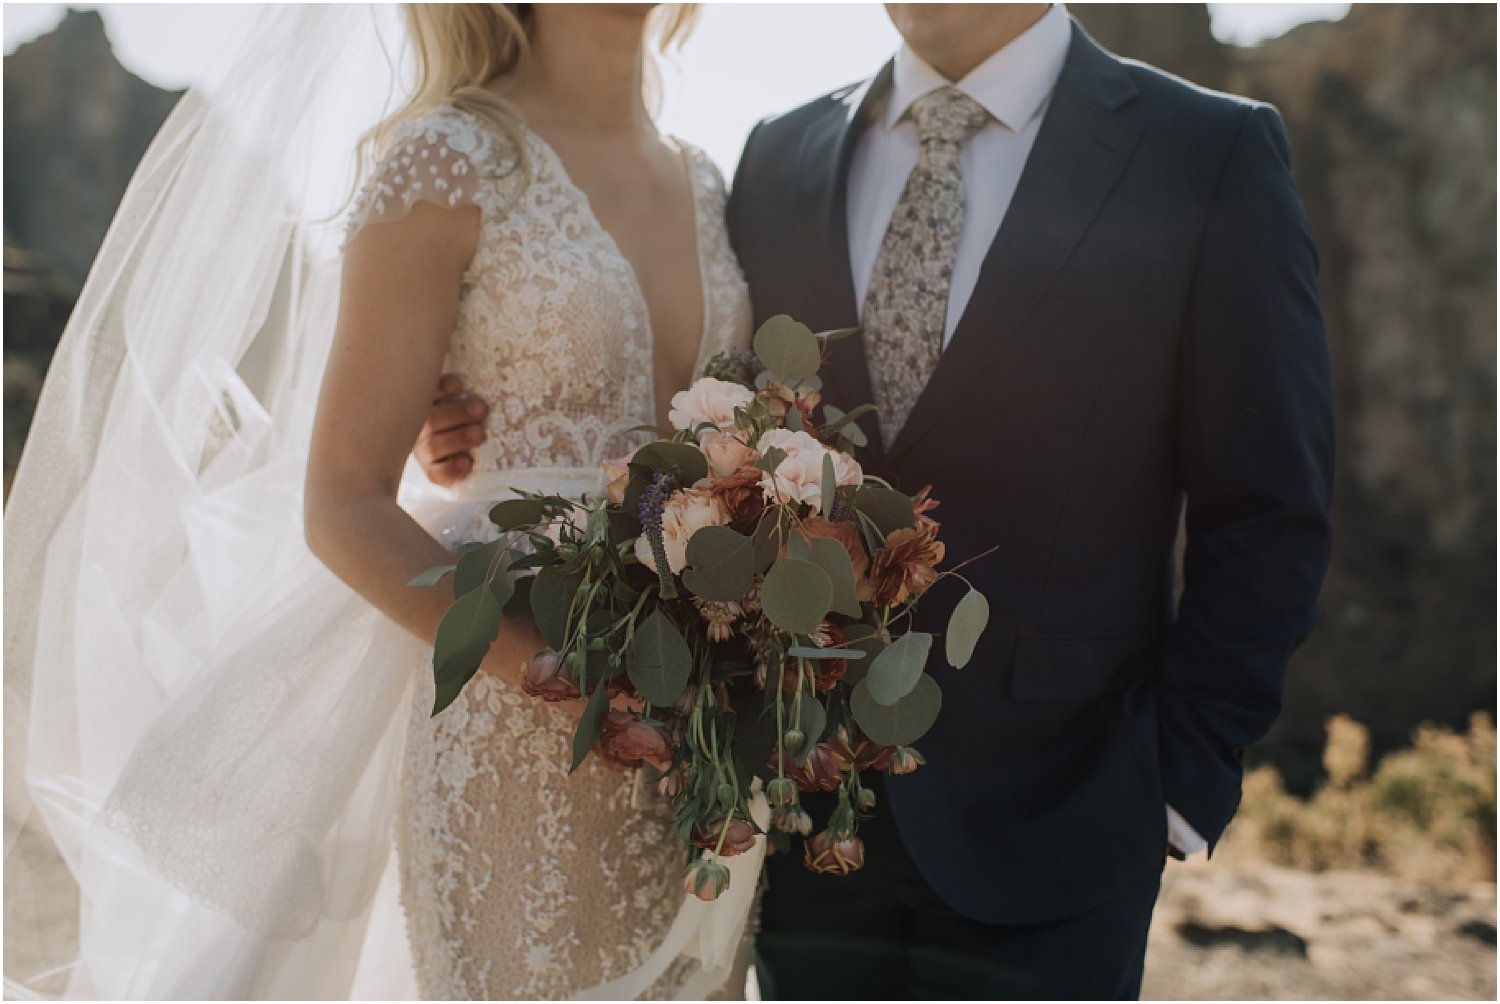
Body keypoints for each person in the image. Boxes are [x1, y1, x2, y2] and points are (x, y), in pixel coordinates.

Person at [420, 3, 1334, 999]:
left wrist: (1176, 786)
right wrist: (474, 400)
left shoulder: (1205, 151)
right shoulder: (779, 157)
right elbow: (689, 401)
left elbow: (1270, 504)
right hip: (806, 821)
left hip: (1064, 829)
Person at [4, 4, 754, 999]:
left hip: (698, 748)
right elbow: (342, 501)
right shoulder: (447, 161)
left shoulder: (706, 181)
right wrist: (551, 673)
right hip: (506, 732)